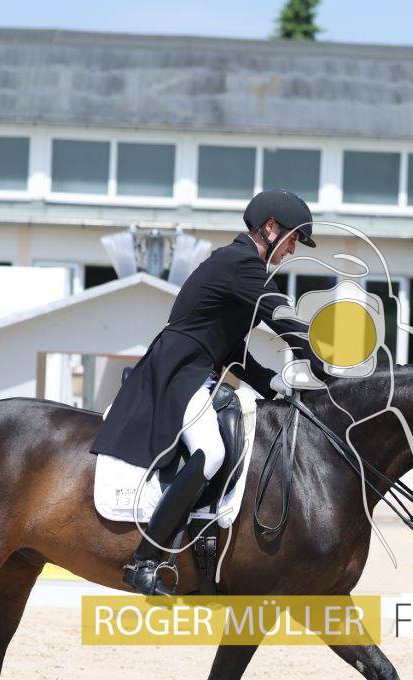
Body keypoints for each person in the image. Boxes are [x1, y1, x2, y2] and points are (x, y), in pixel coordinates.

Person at [92, 189, 328, 595]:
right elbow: (285, 319)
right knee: (212, 452)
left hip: (197, 372)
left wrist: (271, 381)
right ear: (271, 228)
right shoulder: (239, 264)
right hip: (176, 373)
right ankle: (143, 561)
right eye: (293, 239)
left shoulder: (242, 267)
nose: (292, 250)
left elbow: (231, 347)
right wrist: (328, 364)